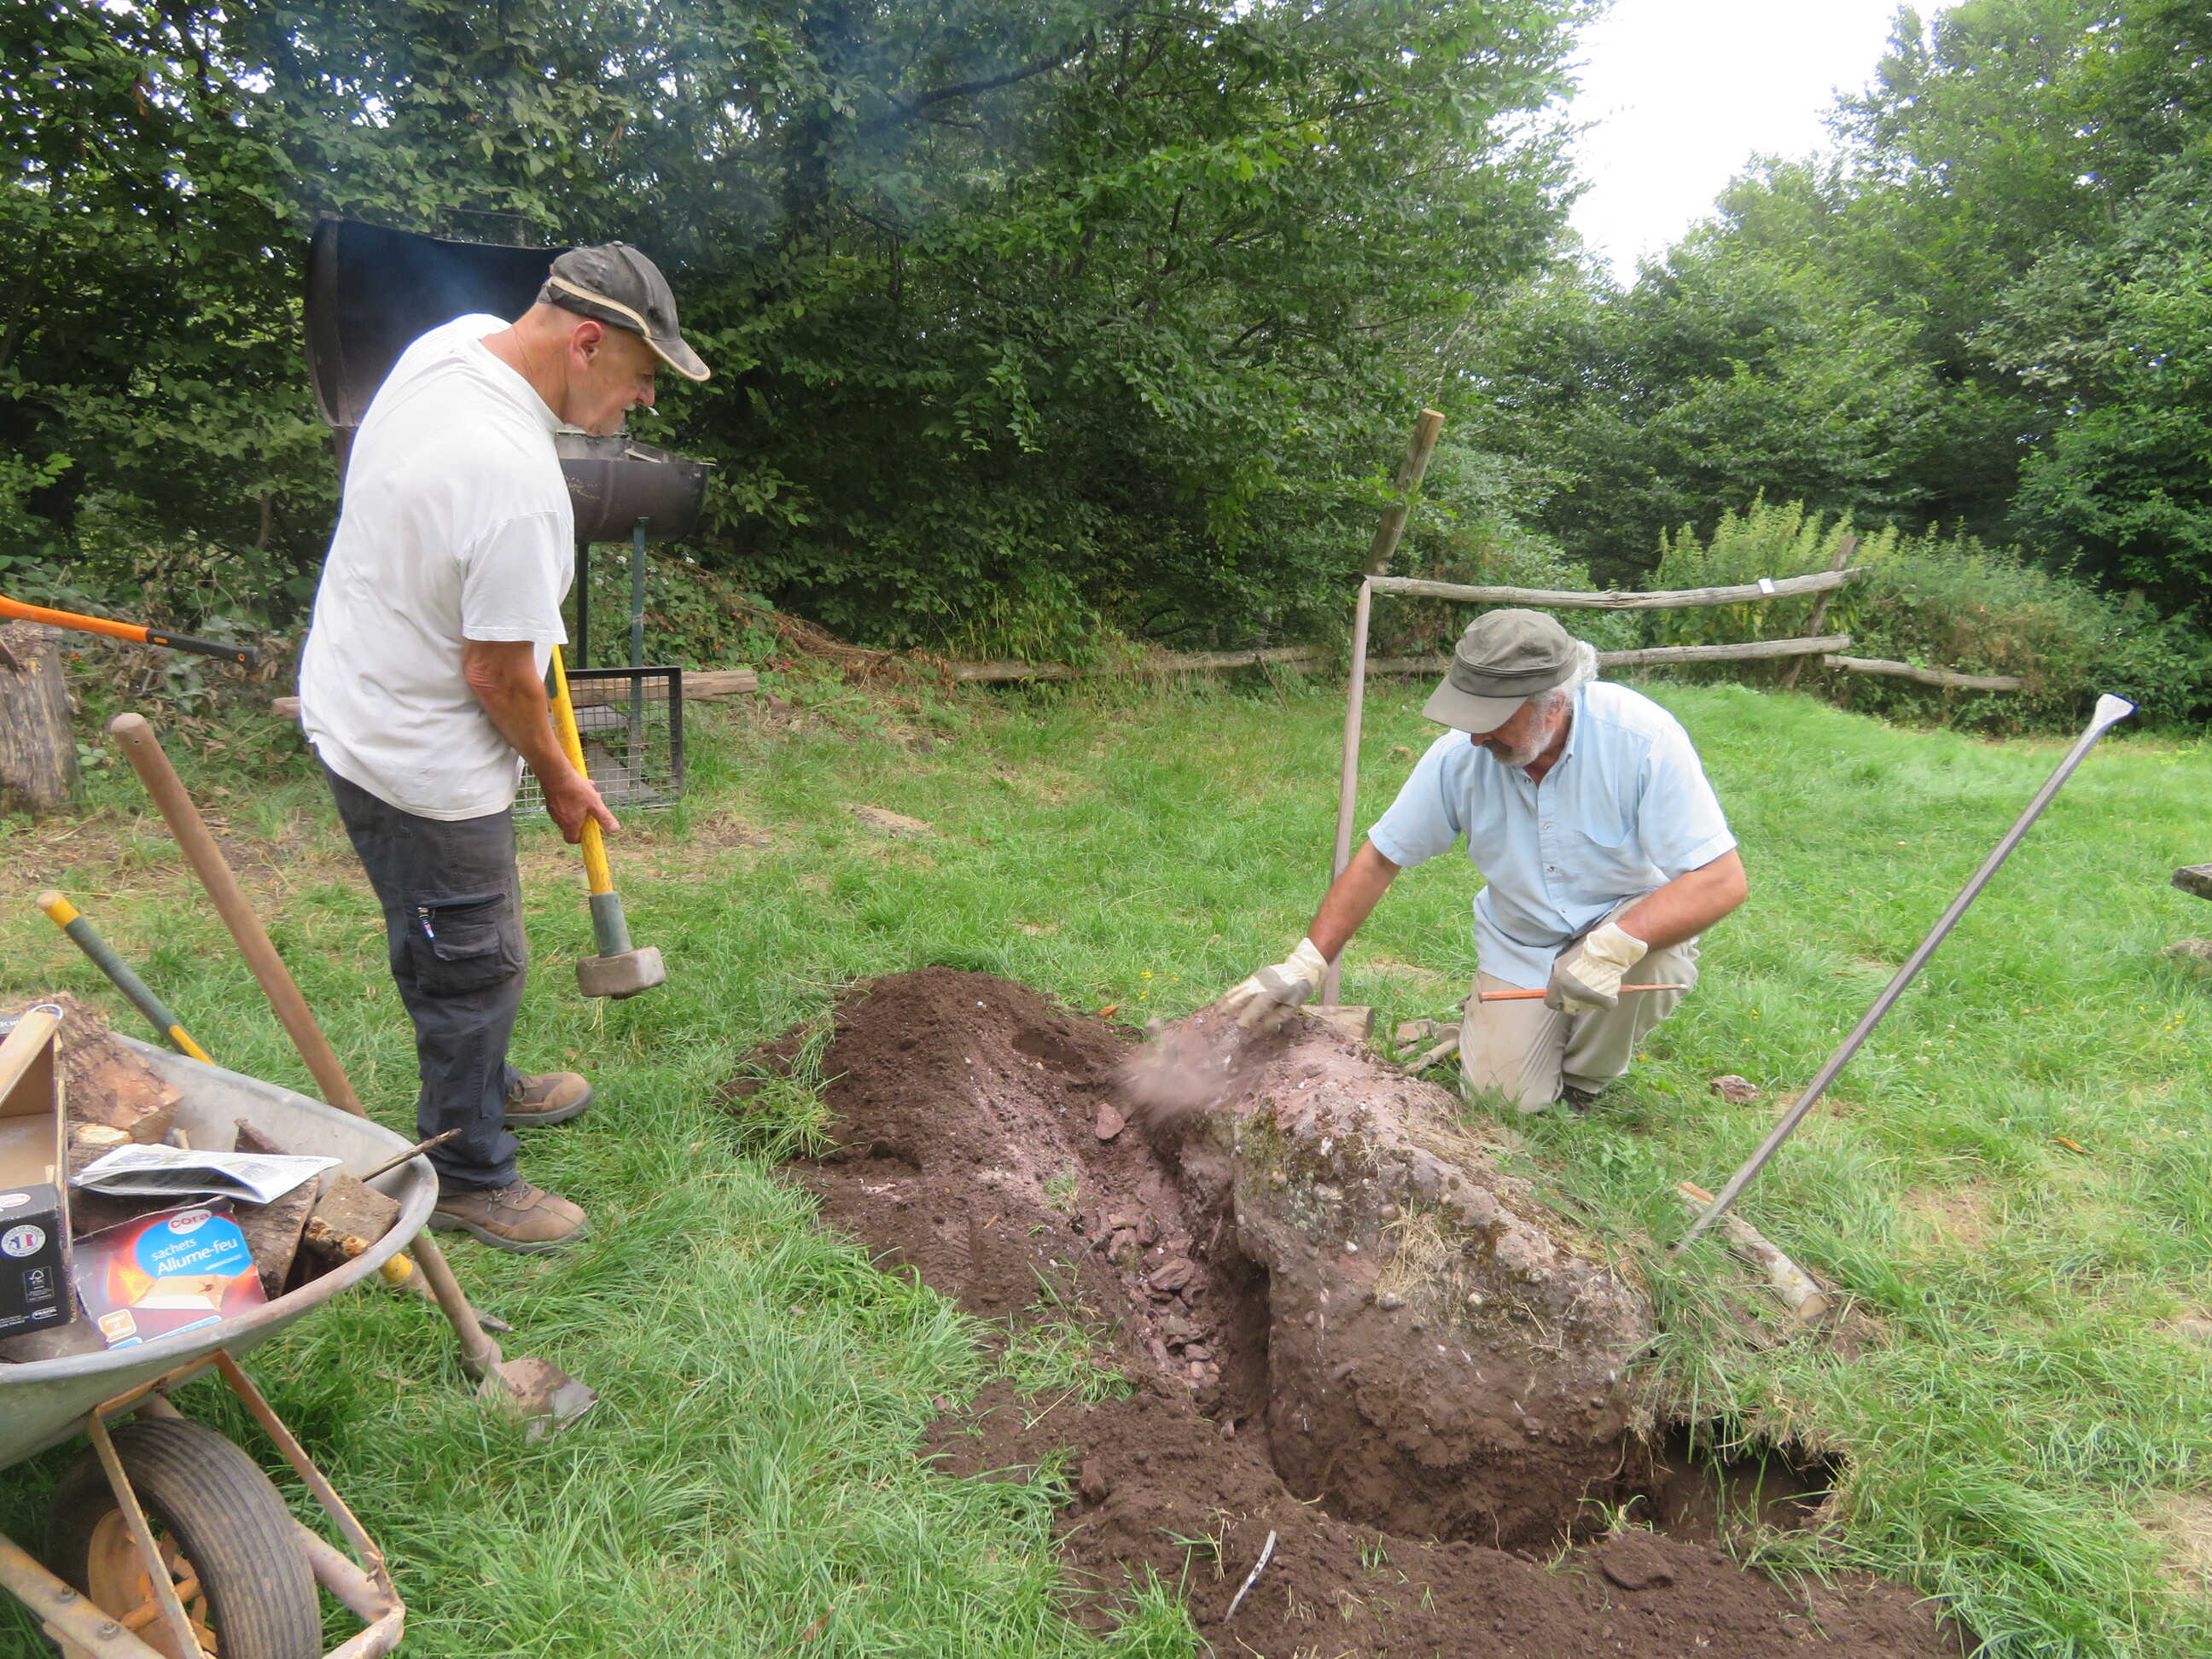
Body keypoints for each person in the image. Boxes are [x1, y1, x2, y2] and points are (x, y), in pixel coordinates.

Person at [297, 243, 710, 1249]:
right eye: (643, 376)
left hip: (359, 689)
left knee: (461, 941)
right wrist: (563, 776)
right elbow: (499, 676)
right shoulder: (516, 482)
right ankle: (469, 1171)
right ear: (586, 342)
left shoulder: (454, 347)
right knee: (473, 964)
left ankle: (485, 1084)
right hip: (417, 751)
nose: (647, 400)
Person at [1220, 608, 1747, 1113]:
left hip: (1624, 920)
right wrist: (1307, 962)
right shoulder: (1459, 757)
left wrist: (1611, 948)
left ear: (1554, 704)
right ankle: (1491, 1030)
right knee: (1502, 1097)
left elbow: (1722, 881)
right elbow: (1381, 860)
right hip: (1522, 941)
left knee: (1656, 957)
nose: (1476, 736)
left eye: (1493, 720)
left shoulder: (1641, 739)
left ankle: (1584, 1080)